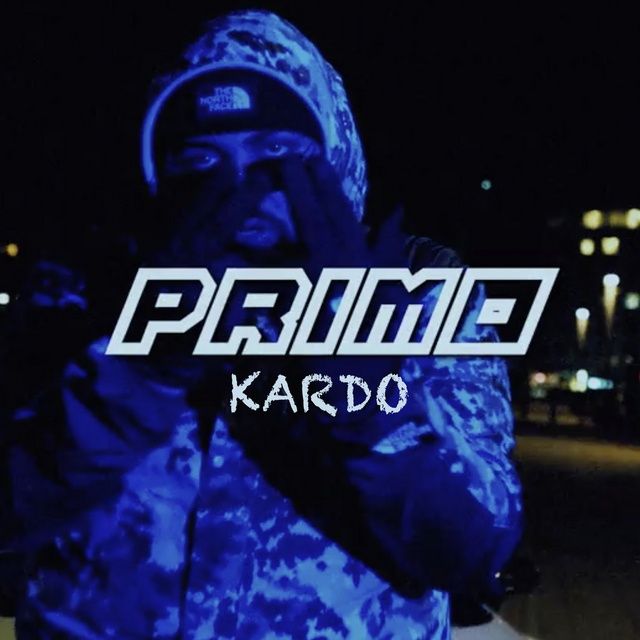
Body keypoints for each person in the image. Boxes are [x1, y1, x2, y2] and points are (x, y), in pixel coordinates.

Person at [3, 9, 523, 639]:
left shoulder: (423, 295)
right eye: (201, 160)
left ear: (331, 160)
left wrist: (361, 379)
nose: (239, 191)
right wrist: (138, 369)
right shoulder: (81, 293)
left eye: (276, 155)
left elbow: (477, 547)